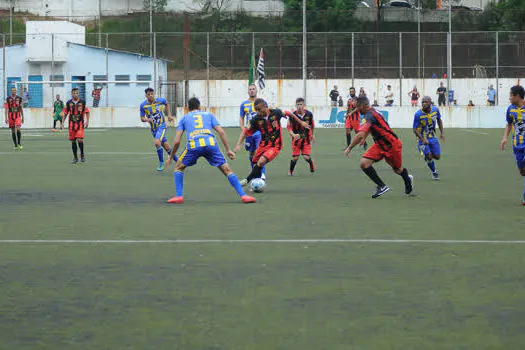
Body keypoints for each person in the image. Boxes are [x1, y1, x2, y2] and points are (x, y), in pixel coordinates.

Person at [165, 97, 256, 204]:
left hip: (194, 145)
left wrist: (171, 157)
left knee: (179, 168)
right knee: (227, 170)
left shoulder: (184, 118)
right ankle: (243, 196)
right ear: (199, 107)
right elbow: (221, 132)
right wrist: (228, 150)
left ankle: (179, 196)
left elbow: (176, 141)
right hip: (211, 144)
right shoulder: (208, 115)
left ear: (188, 108)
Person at [344, 96, 413, 198]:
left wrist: (349, 147)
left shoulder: (369, 115)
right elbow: (370, 127)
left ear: (363, 106)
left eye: (358, 107)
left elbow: (360, 134)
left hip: (392, 145)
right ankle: (381, 186)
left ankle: (407, 179)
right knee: (364, 163)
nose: (357, 110)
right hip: (379, 145)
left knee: (398, 170)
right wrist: (364, 137)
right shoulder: (372, 112)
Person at [234, 98, 310, 186]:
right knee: (255, 163)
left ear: (265, 107)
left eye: (259, 110)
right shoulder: (256, 119)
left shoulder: (275, 113)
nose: (258, 112)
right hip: (263, 145)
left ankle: (246, 180)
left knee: (261, 161)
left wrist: (301, 122)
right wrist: (238, 144)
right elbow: (245, 131)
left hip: (276, 145)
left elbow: (289, 113)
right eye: (256, 110)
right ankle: (257, 182)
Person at [500, 85, 525, 205]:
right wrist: (505, 137)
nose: (509, 98)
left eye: (511, 95)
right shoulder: (511, 109)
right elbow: (509, 124)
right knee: (522, 171)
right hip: (517, 144)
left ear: (518, 96)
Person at [140, 87, 175, 171]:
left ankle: (161, 163)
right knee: (166, 146)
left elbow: (166, 103)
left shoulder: (160, 100)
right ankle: (178, 161)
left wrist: (169, 115)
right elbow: (142, 118)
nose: (151, 96)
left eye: (152, 94)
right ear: (146, 95)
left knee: (156, 142)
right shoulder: (143, 105)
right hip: (153, 129)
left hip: (162, 126)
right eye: (149, 94)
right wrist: (148, 120)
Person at [413, 96, 445, 180]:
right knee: (429, 156)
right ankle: (434, 172)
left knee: (437, 157)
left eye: (426, 102)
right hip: (422, 138)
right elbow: (415, 129)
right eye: (423, 102)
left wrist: (442, 133)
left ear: (430, 103)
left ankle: (427, 157)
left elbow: (439, 120)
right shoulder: (418, 114)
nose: (424, 104)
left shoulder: (435, 110)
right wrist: (422, 139)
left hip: (432, 137)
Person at [239, 83, 266, 180]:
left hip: (260, 132)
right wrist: (243, 128)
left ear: (256, 91)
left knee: (260, 152)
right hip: (249, 132)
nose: (252, 90)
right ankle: (255, 171)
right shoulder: (244, 104)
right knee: (251, 153)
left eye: (253, 89)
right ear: (248, 91)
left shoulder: (262, 102)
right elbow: (241, 118)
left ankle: (262, 173)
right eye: (250, 89)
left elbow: (266, 115)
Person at [287, 97, 315, 176]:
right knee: (295, 158)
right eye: (298, 104)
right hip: (296, 140)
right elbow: (289, 127)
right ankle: (291, 171)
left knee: (306, 157)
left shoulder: (309, 114)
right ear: (295, 105)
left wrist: (312, 134)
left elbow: (312, 125)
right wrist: (293, 134)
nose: (299, 106)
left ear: (304, 105)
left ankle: (311, 164)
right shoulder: (293, 115)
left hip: (306, 139)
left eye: (301, 104)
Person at [62, 88, 90, 164]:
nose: (75, 94)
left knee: (80, 139)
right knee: (73, 141)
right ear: (71, 94)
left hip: (80, 124)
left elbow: (87, 112)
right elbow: (65, 113)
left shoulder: (83, 102)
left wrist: (87, 121)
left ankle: (82, 155)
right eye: (74, 93)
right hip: (71, 125)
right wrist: (62, 122)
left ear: (78, 94)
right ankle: (75, 157)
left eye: (76, 93)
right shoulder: (68, 103)